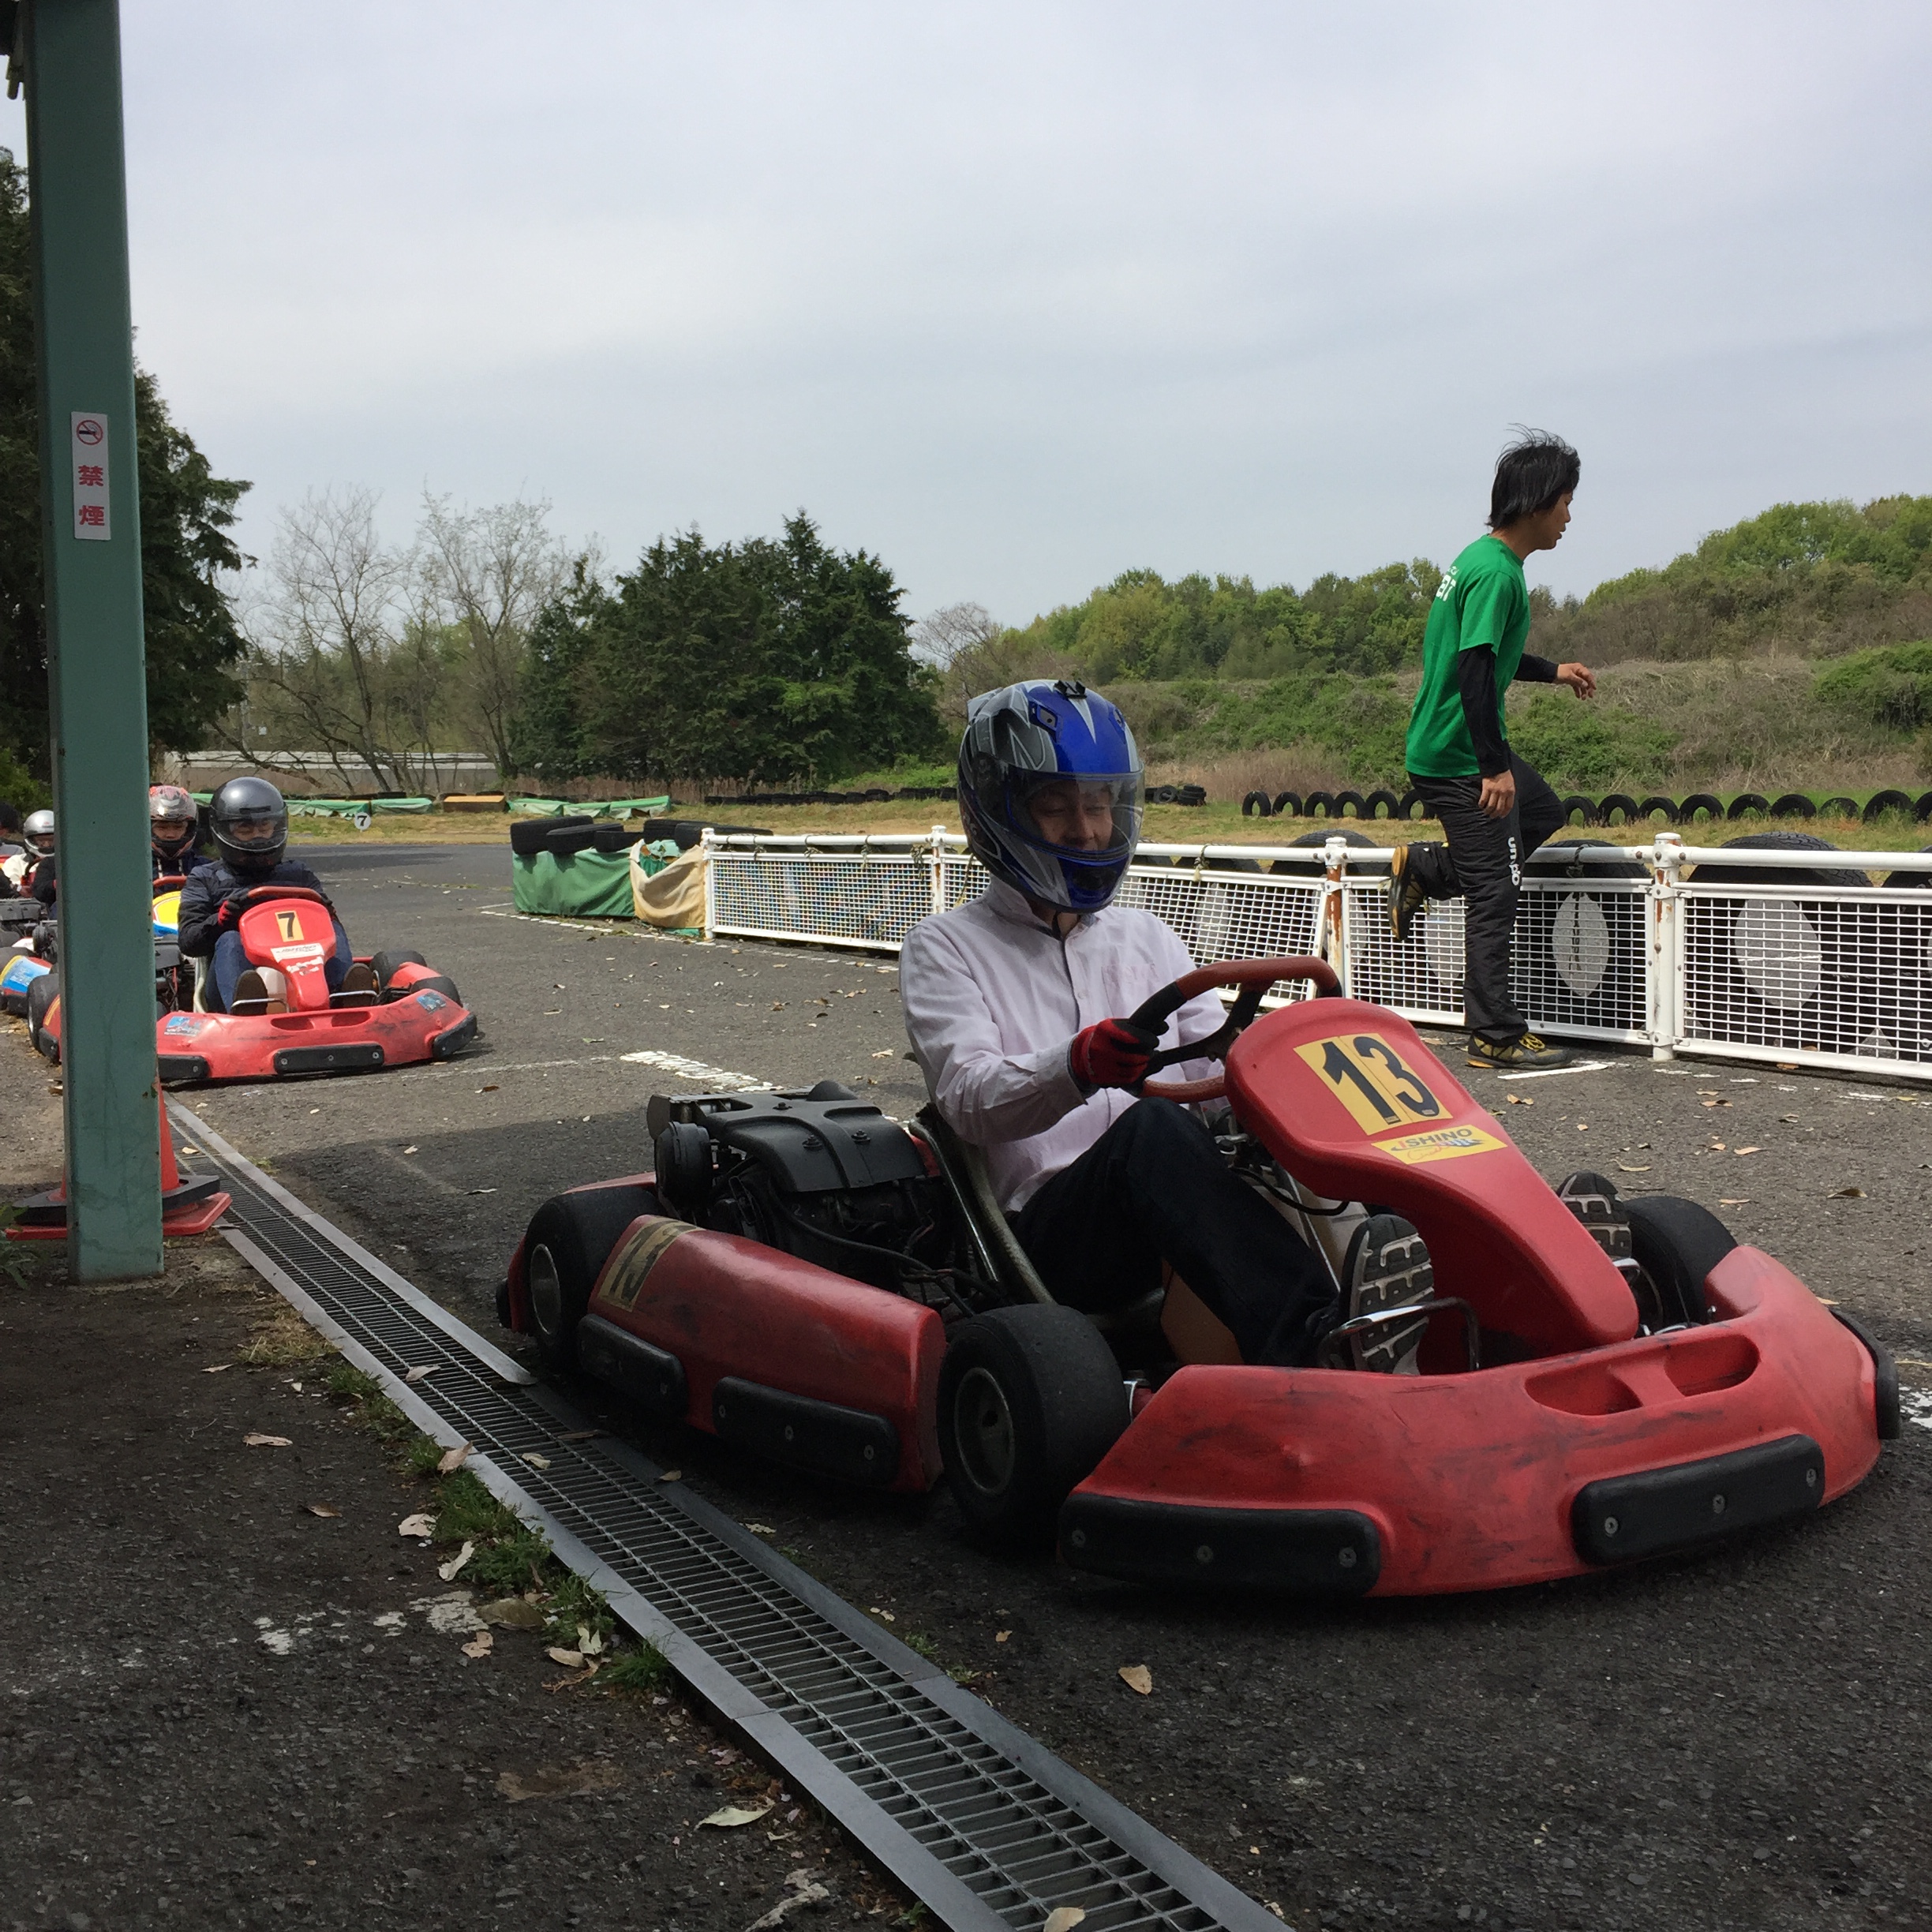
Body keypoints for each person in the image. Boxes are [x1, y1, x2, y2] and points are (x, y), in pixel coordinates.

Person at [900, 679, 1435, 1374]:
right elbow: (968, 1099)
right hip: (1053, 1237)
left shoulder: (1144, 934)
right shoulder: (945, 948)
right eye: (1055, 807)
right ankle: (1318, 1343)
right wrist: (1076, 1066)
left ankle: (1481, 1288)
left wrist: (1285, 1076)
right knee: (1149, 1129)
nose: (1086, 830)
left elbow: (1212, 1075)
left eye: (1098, 806)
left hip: (1175, 1199)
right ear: (997, 810)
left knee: (1329, 1107)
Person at [1388, 430, 1599, 1071]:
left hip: (1453, 744)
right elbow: (1475, 670)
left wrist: (1554, 670)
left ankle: (1428, 870)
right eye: (1566, 502)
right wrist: (1493, 767)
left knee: (1542, 811)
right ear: (1537, 502)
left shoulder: (1483, 561)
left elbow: (1493, 654)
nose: (1570, 517)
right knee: (1496, 893)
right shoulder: (1497, 575)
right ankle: (1493, 1034)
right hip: (1458, 756)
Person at [176, 777, 375, 1013]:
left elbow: (326, 922)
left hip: (302, 969)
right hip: (230, 984)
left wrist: (326, 912)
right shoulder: (205, 877)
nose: (258, 836)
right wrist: (222, 920)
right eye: (245, 829)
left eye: (264, 827)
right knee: (230, 939)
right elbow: (189, 942)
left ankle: (345, 998)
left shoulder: (298, 874)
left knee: (331, 927)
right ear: (223, 830)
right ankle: (247, 1008)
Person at [148, 784, 213, 880]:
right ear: (148, 829)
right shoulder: (133, 868)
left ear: (189, 829)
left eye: (178, 827)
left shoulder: (207, 869)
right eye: (162, 828)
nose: (171, 834)